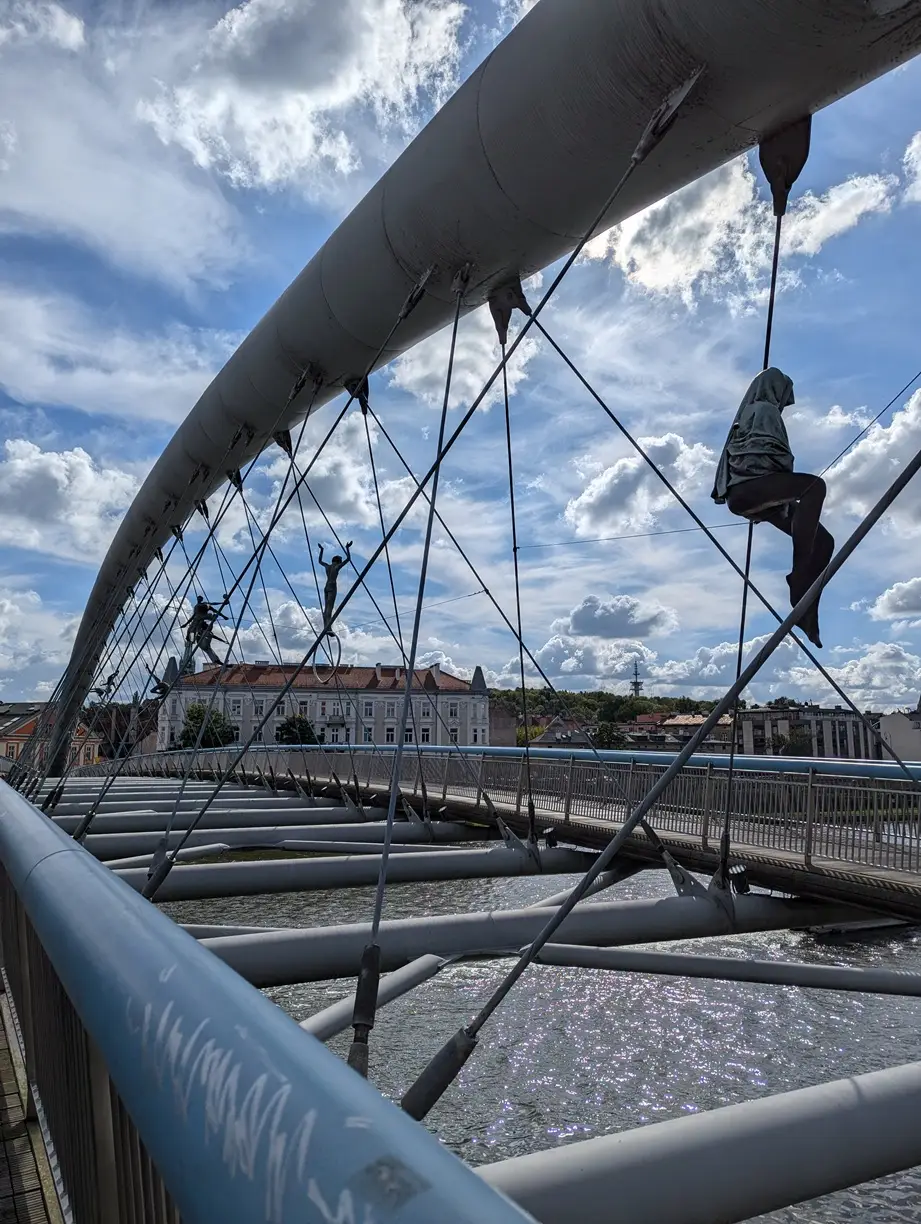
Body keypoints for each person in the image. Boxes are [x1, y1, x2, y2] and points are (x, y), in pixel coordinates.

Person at [712, 367, 833, 649]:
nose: (783, 405)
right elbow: (763, 457)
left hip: (753, 492)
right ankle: (800, 572)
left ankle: (808, 605)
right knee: (814, 486)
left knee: (825, 541)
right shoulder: (764, 410)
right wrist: (785, 490)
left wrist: (783, 494)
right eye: (784, 398)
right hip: (749, 489)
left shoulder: (753, 413)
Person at [181, 595, 228, 666]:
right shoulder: (196, 607)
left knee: (212, 617)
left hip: (203, 617)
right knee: (190, 630)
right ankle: (190, 640)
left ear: (201, 599)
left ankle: (191, 639)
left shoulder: (204, 604)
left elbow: (213, 605)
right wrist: (185, 624)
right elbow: (193, 617)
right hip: (198, 619)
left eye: (200, 598)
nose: (199, 599)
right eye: (198, 598)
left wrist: (222, 608)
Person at [318, 541, 352, 632]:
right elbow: (348, 559)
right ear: (338, 562)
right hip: (332, 586)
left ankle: (326, 626)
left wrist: (321, 550)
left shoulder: (327, 566)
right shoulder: (337, 567)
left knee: (326, 607)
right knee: (330, 607)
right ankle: (328, 628)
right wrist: (347, 548)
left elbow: (320, 561)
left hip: (326, 587)